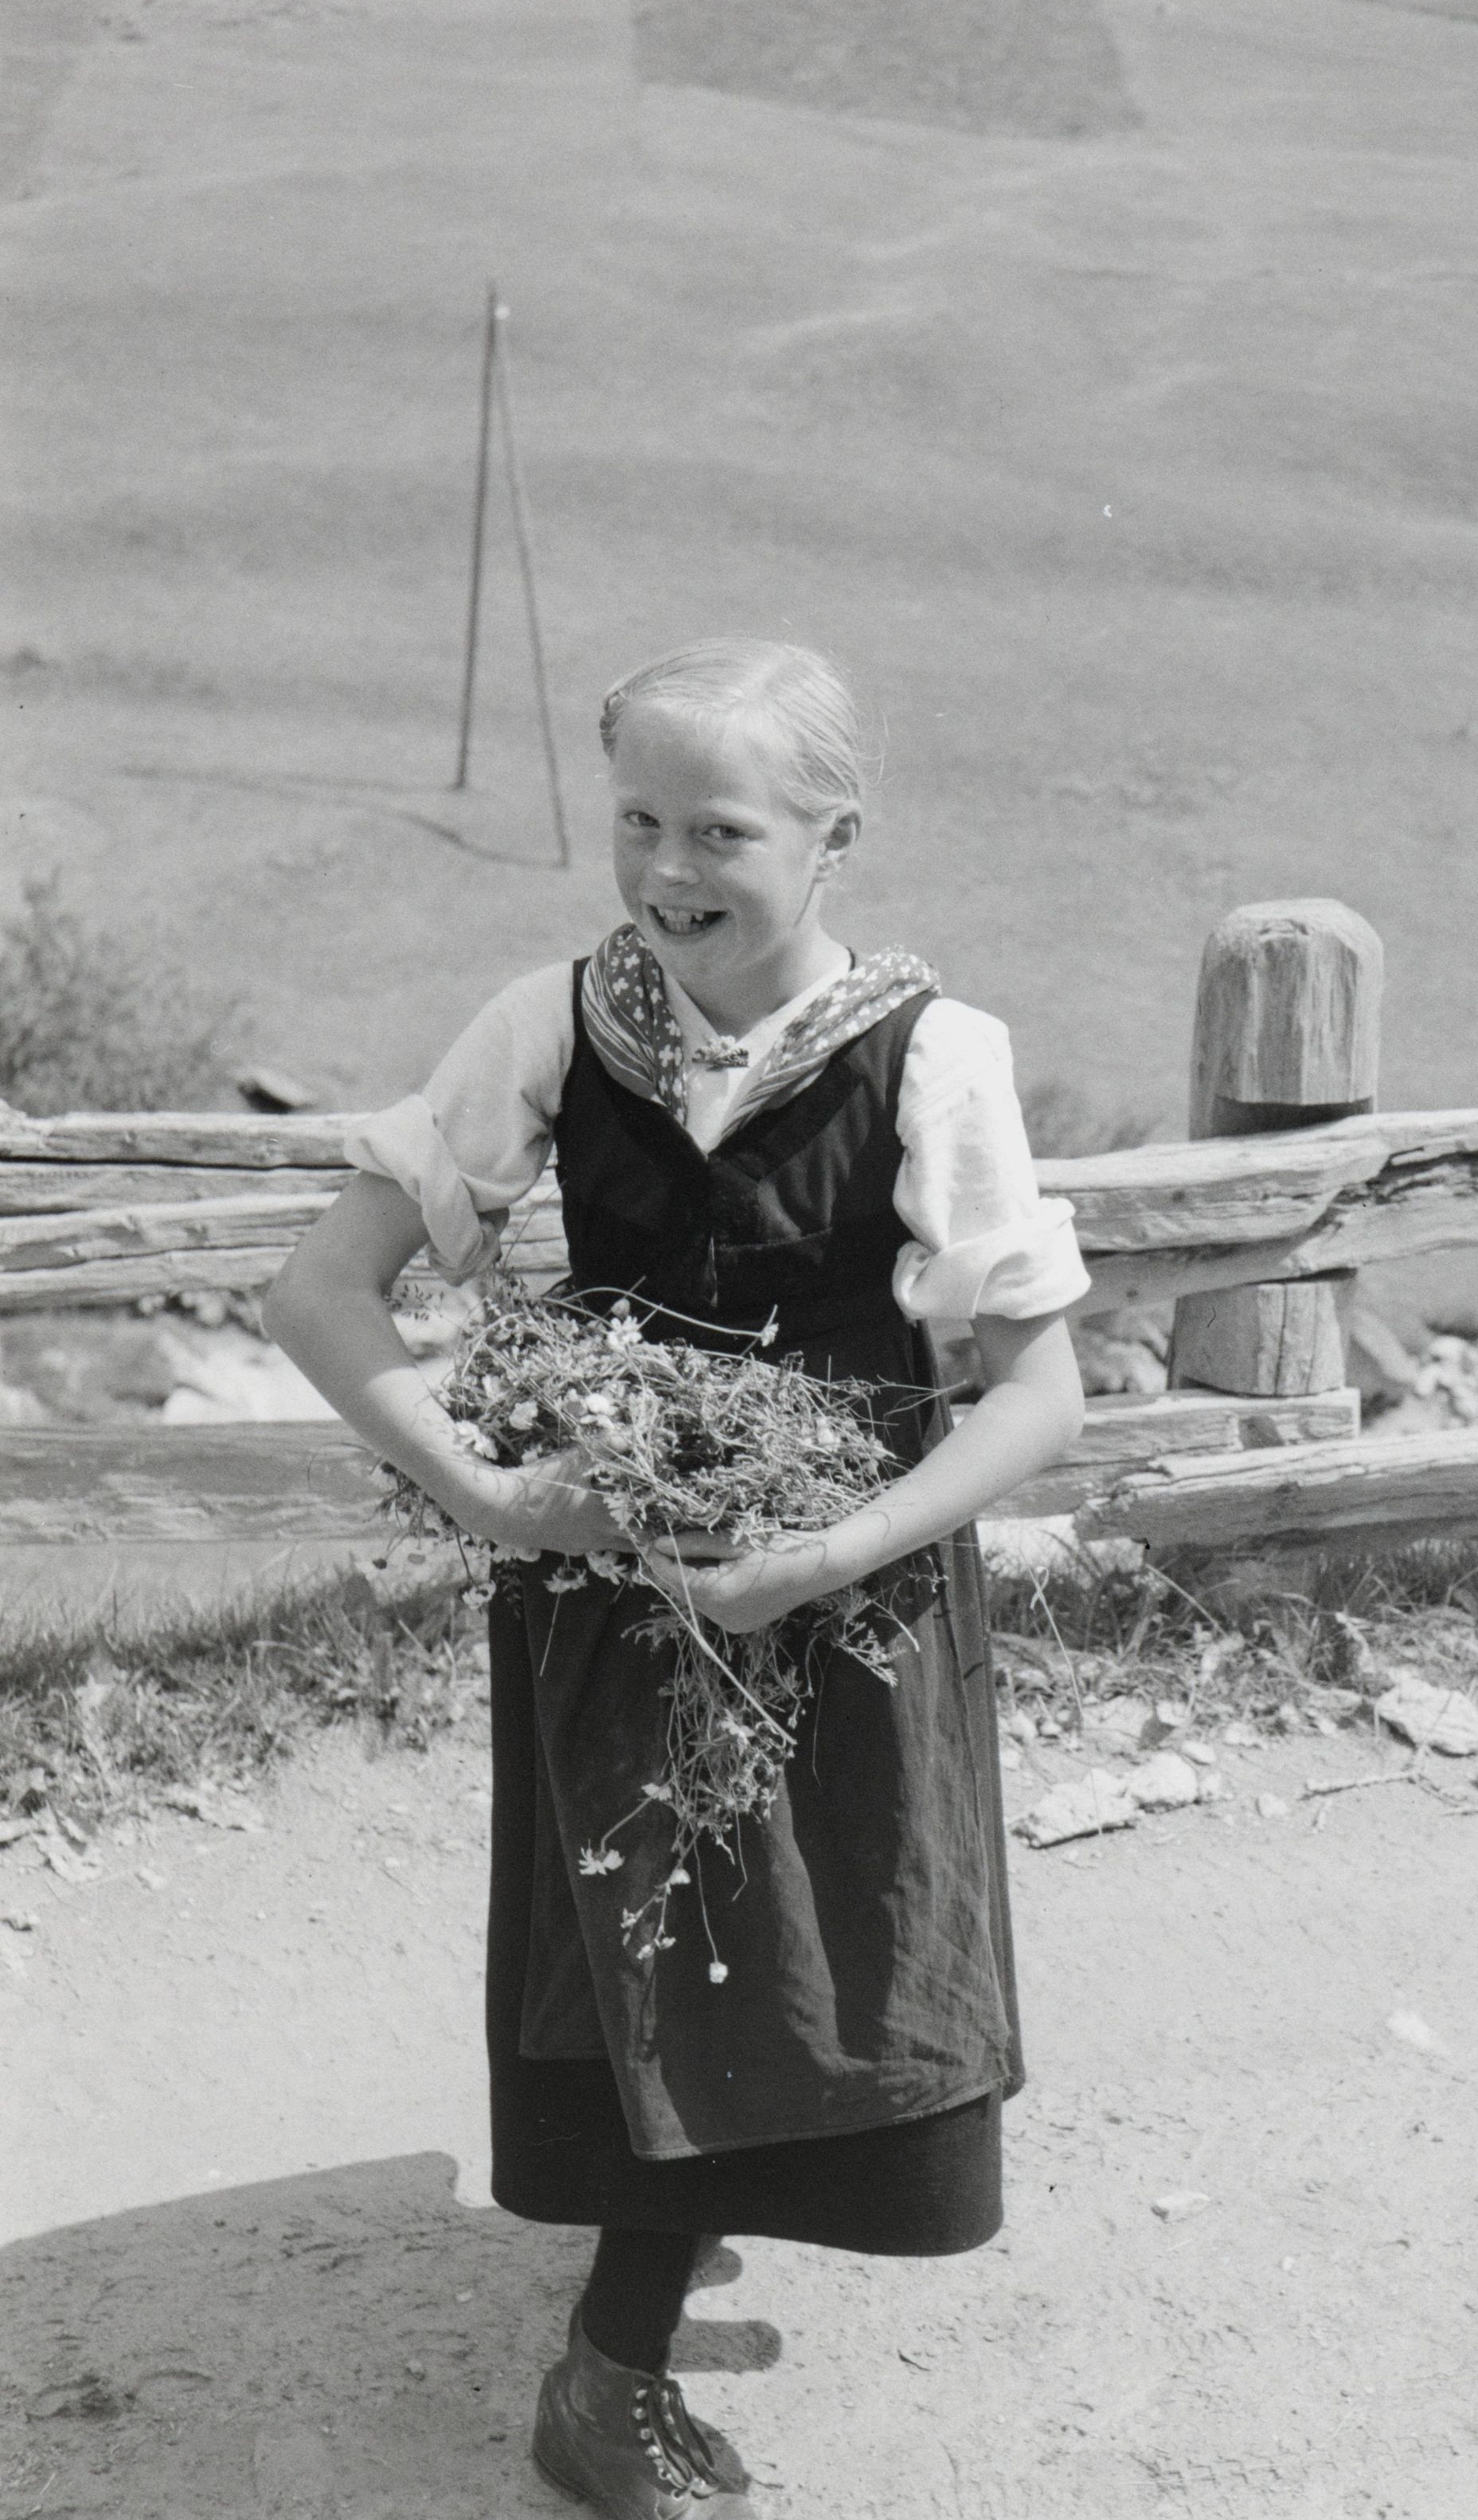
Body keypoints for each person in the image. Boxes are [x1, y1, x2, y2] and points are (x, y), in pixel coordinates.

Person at [266, 638, 1089, 2519]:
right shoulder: (553, 1025)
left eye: (721, 830)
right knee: (658, 1950)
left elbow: (1040, 1397)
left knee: (812, 1942)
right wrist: (492, 1495)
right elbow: (318, 1292)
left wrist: (831, 1551)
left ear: (835, 839)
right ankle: (607, 2377)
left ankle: (688, 2212)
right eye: (637, 819)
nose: (665, 868)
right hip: (617, 1587)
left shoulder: (934, 1057)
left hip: (850, 1592)